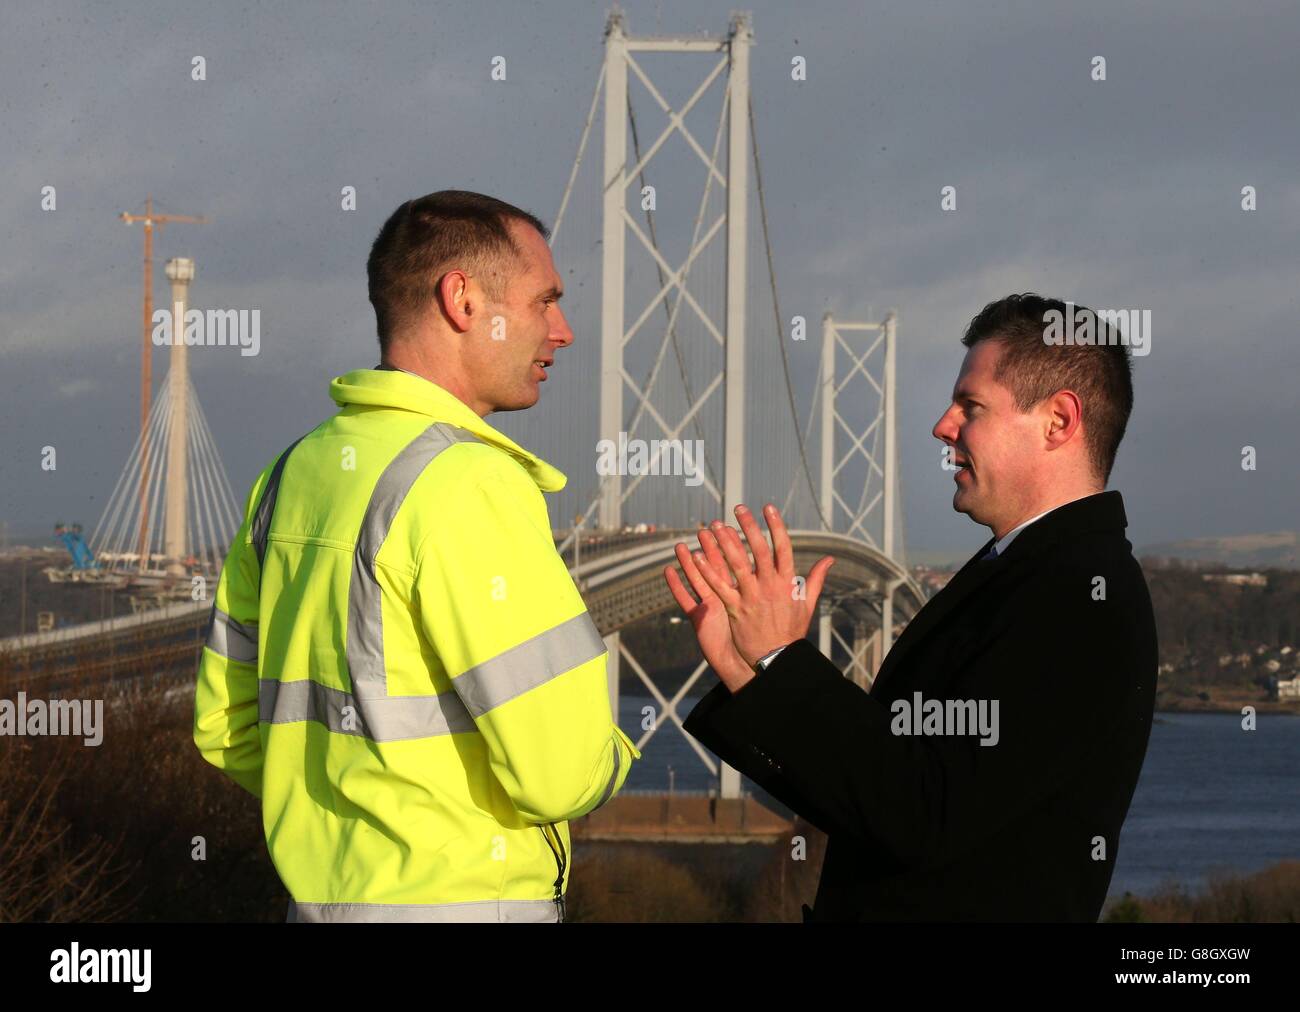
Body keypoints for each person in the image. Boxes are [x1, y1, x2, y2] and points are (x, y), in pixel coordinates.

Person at [194, 190, 639, 923]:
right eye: (544, 301)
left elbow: (228, 729)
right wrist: (616, 751)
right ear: (463, 299)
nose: (562, 330)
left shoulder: (286, 479)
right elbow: (561, 773)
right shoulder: (468, 484)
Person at [666, 293, 1157, 921]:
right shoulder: (1023, 572)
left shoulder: (1081, 597)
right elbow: (868, 796)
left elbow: (921, 813)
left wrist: (781, 659)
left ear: (1058, 421)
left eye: (970, 406)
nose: (943, 426)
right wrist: (747, 671)